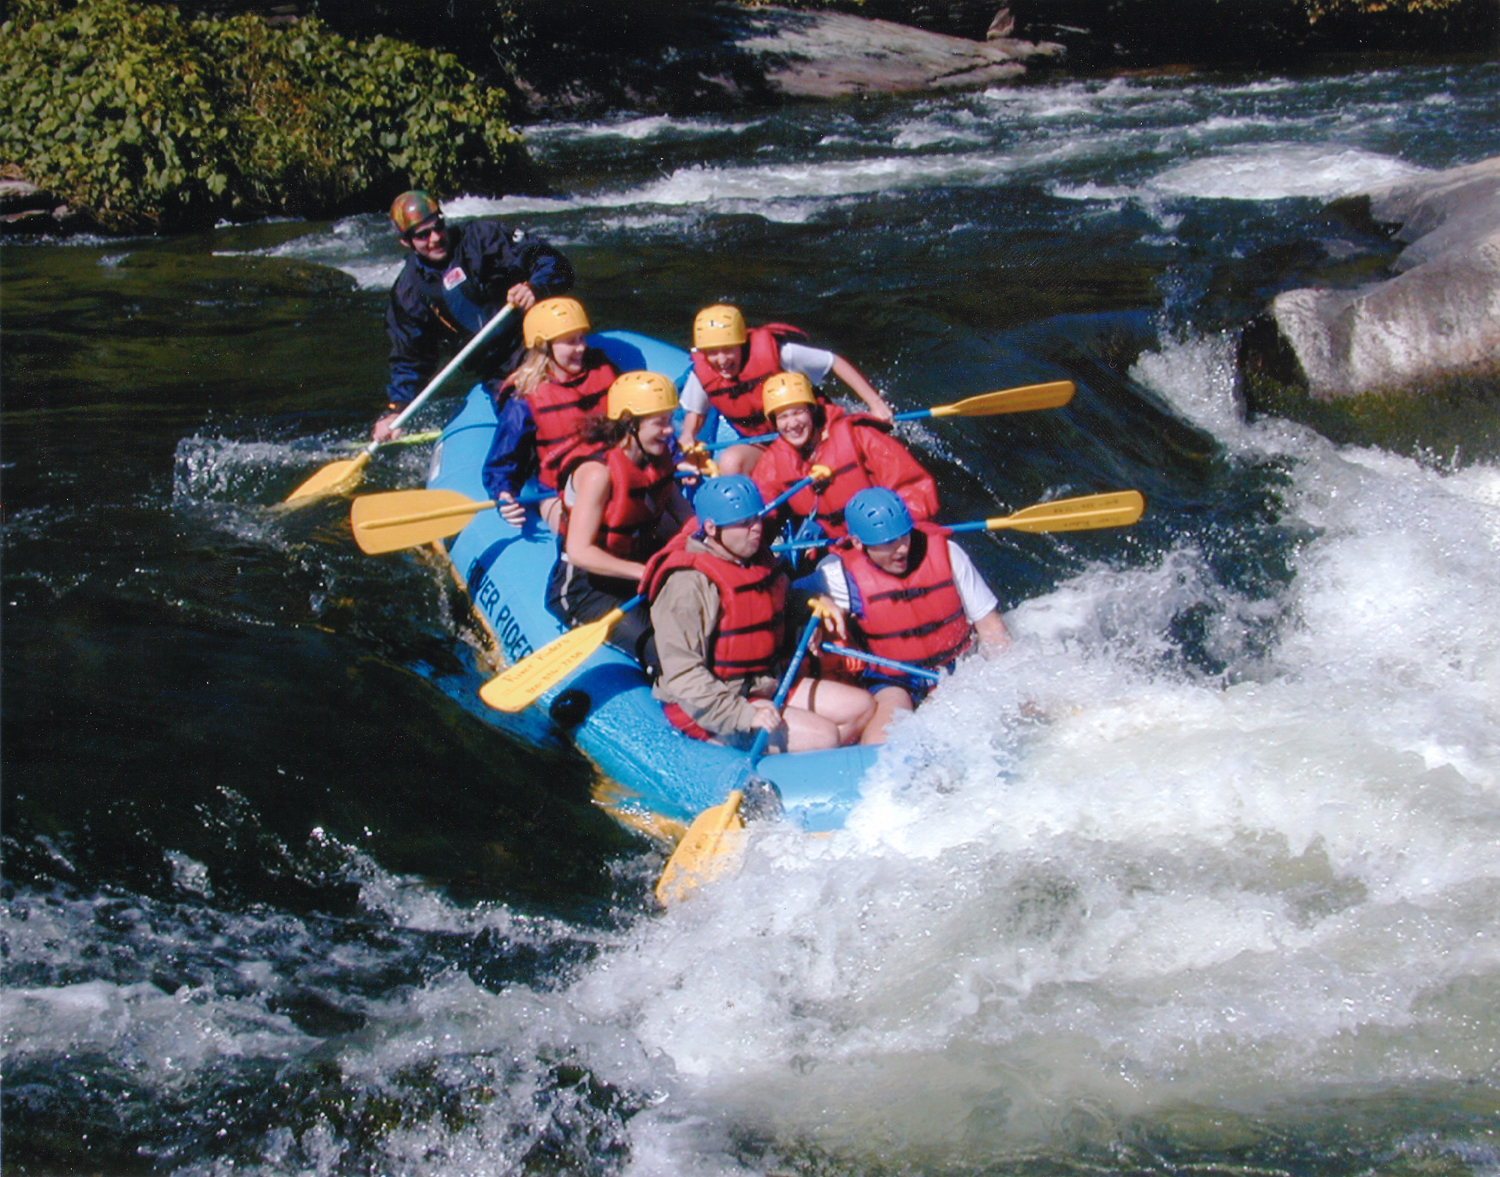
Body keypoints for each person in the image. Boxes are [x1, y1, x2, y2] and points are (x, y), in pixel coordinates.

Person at [643, 476, 876, 753]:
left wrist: (813, 601)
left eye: (756, 519)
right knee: (824, 737)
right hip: (710, 702)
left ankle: (799, 764)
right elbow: (683, 675)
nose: (756, 529)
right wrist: (743, 715)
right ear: (711, 528)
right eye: (743, 523)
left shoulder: (757, 558)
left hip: (762, 683)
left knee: (863, 708)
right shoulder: (687, 584)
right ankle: (734, 753)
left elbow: (778, 602)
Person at [812, 487, 1010, 743]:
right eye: (888, 543)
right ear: (859, 543)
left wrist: (1006, 675)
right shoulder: (839, 577)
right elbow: (793, 594)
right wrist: (820, 599)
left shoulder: (949, 554)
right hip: (895, 682)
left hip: (959, 669)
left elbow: (992, 629)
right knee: (882, 738)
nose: (901, 549)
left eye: (904, 537)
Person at [374, 190, 574, 443]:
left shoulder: (482, 238)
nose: (436, 238)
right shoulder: (409, 292)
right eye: (423, 235)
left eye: (438, 226)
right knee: (527, 424)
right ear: (406, 241)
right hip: (498, 367)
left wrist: (535, 287)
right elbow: (410, 359)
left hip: (541, 343)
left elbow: (552, 261)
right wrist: (396, 410)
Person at [546, 370, 693, 668]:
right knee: (664, 653)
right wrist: (644, 572)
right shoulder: (598, 474)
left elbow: (687, 518)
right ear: (630, 422)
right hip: (585, 589)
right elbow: (579, 551)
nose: (670, 431)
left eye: (670, 420)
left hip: (637, 571)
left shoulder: (655, 459)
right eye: (661, 423)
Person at [677, 304, 895, 477]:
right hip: (767, 443)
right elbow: (695, 413)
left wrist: (875, 404)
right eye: (713, 353)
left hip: (811, 433)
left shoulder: (779, 354)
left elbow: (833, 362)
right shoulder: (702, 374)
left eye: (728, 350)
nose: (722, 360)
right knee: (730, 462)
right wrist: (688, 435)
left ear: (741, 343)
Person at [752, 371, 939, 544]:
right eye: (783, 417)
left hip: (886, 538)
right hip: (838, 545)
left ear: (812, 411)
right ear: (774, 423)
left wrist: (892, 534)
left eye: (798, 412)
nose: (792, 424)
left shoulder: (859, 436)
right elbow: (759, 508)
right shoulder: (774, 462)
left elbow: (914, 488)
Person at [481, 297, 617, 532]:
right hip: (557, 492)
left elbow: (639, 423)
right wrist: (504, 495)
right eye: (571, 342)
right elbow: (504, 459)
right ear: (545, 347)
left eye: (581, 338)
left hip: (616, 476)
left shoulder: (603, 370)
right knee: (582, 533)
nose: (582, 347)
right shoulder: (525, 399)